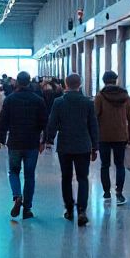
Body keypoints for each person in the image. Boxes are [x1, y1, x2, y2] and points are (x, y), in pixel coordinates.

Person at [44, 73, 98, 226]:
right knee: (82, 178)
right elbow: (93, 125)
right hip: (83, 145)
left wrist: (49, 140)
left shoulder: (58, 102)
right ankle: (82, 210)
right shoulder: (87, 103)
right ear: (80, 84)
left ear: (66, 85)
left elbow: (52, 122)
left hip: (65, 145)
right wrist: (95, 146)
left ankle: (69, 209)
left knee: (66, 177)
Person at [0, 71, 47, 220]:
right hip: (32, 143)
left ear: (17, 82)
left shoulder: (10, 99)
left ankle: (17, 196)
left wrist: (0, 139)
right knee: (29, 175)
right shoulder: (38, 100)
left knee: (13, 172)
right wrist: (43, 141)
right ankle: (27, 209)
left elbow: (2, 121)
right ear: (30, 81)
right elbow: (44, 122)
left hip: (15, 142)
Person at [94, 70, 130, 205]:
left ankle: (106, 192)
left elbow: (95, 117)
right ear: (116, 80)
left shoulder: (100, 96)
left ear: (104, 81)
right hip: (121, 136)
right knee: (120, 165)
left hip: (103, 136)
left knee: (105, 165)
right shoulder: (125, 97)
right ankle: (119, 192)